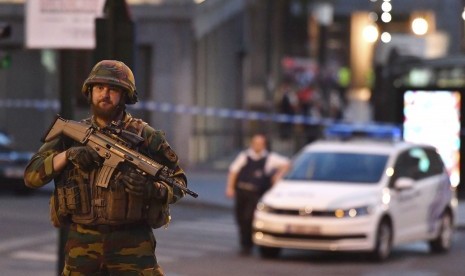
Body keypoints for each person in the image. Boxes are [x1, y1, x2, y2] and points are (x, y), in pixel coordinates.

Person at [24, 60, 187, 275]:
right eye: (99, 88)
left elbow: (179, 183)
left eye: (113, 89)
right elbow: (31, 177)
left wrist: (153, 189)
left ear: (125, 96)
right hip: (82, 242)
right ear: (90, 92)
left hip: (132, 243)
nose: (105, 94)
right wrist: (68, 155)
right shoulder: (71, 133)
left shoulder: (145, 137)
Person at [225, 134, 290, 256]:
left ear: (264, 145)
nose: (257, 146)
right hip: (242, 190)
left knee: (249, 218)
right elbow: (233, 170)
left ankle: (247, 245)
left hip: (255, 193)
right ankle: (244, 242)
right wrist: (230, 188)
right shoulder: (245, 156)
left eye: (259, 143)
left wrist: (278, 176)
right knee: (240, 218)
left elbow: (287, 164)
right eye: (255, 143)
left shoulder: (269, 158)